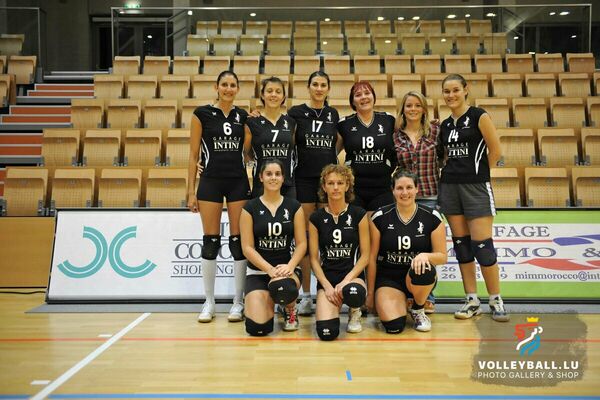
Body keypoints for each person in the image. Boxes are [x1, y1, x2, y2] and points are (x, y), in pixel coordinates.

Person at [437, 73, 509, 322]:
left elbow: (495, 150)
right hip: (450, 187)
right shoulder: (445, 125)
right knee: (462, 247)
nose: (451, 95)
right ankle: (472, 300)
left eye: (455, 90)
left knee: (483, 247)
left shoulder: (479, 116)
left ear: (466, 90)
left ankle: (496, 299)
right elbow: (445, 157)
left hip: (476, 188)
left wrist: (478, 174)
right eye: (447, 91)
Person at [187, 70, 250, 323]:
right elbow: (193, 155)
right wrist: (190, 191)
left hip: (237, 182)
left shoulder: (243, 116)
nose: (228, 88)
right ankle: (209, 302)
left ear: (237, 89)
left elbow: (249, 151)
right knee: (211, 241)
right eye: (224, 84)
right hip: (210, 182)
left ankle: (238, 302)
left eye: (233, 85)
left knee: (237, 241)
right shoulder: (201, 114)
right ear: (216, 87)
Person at [367, 170, 447, 333]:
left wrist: (425, 255)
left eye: (409, 187)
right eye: (400, 188)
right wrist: (371, 294)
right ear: (393, 190)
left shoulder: (432, 217)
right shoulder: (380, 217)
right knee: (394, 327)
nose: (405, 193)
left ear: (417, 189)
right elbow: (372, 258)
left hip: (416, 276)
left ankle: (418, 308)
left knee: (425, 268)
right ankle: (400, 303)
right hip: (389, 278)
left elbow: (442, 257)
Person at [288, 71, 340, 316]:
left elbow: (337, 144)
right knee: (308, 240)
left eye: (323, 85)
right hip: (304, 180)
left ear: (328, 89)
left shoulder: (333, 114)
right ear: (308, 87)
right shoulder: (296, 112)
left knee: (328, 238)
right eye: (315, 84)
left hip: (328, 181)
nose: (319, 88)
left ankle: (327, 290)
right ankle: (306, 295)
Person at [240, 159, 307, 336]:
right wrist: (269, 269)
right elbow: (247, 248)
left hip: (286, 271)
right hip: (258, 272)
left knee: (284, 287)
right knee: (257, 328)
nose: (273, 178)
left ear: (283, 178)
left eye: (277, 174)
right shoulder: (249, 208)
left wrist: (290, 266)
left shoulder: (294, 206)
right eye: (269, 174)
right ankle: (268, 301)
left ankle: (289, 309)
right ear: (261, 177)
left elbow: (302, 244)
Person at [308, 164, 369, 340]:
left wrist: (347, 280)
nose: (335, 187)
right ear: (324, 186)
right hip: (328, 278)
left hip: (352, 277)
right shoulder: (316, 218)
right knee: (327, 333)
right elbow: (313, 259)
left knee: (353, 291)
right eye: (331, 183)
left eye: (340, 183)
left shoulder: (359, 214)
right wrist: (326, 286)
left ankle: (354, 310)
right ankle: (333, 303)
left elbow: (365, 255)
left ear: (347, 186)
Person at [393, 91, 441, 314]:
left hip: (430, 195)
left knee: (427, 247)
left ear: (424, 109)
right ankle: (407, 293)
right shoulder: (395, 136)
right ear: (403, 110)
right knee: (405, 245)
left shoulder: (435, 132)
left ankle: (427, 296)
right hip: (404, 197)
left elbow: (445, 158)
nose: (413, 109)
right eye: (409, 105)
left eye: (417, 105)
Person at [337, 81, 396, 214]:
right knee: (356, 226)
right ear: (353, 101)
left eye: (367, 93)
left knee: (379, 226)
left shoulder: (388, 120)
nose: (363, 97)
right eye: (358, 95)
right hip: (354, 189)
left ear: (373, 97)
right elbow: (332, 153)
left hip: (382, 188)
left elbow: (408, 132)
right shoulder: (344, 124)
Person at [245, 76, 296, 198]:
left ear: (283, 97)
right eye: (269, 91)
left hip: (287, 185)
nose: (273, 95)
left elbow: (293, 150)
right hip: (261, 185)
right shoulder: (252, 122)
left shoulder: (291, 123)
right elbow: (247, 153)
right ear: (262, 95)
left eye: (278, 92)